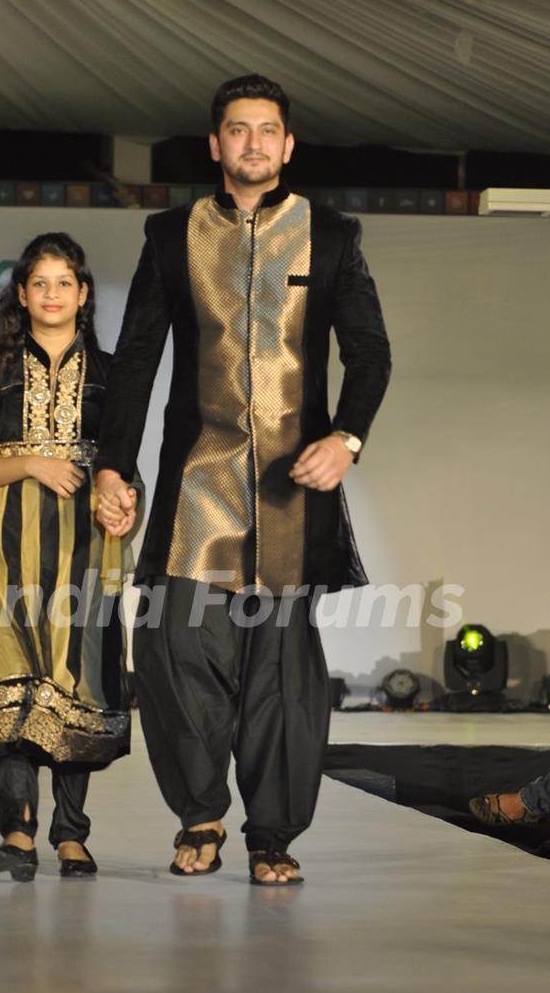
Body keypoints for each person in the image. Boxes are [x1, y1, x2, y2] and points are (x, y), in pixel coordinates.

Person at [95, 74, 391, 885]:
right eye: (238, 129)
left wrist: (347, 439)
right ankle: (200, 814)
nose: (253, 142)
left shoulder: (330, 235)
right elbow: (137, 363)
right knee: (173, 650)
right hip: (199, 484)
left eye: (268, 130)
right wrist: (112, 466)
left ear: (287, 146)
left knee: (283, 680)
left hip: (294, 490)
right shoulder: (170, 236)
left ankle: (272, 838)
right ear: (217, 144)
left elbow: (370, 353)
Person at [0, 232, 138, 882]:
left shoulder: (115, 375)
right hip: (12, 549)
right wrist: (29, 461)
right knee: (15, 683)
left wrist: (125, 502)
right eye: (40, 283)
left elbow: (124, 468)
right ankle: (17, 832)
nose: (52, 294)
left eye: (65, 282)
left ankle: (72, 835)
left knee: (76, 681)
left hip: (86, 548)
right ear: (23, 295)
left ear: (83, 294)